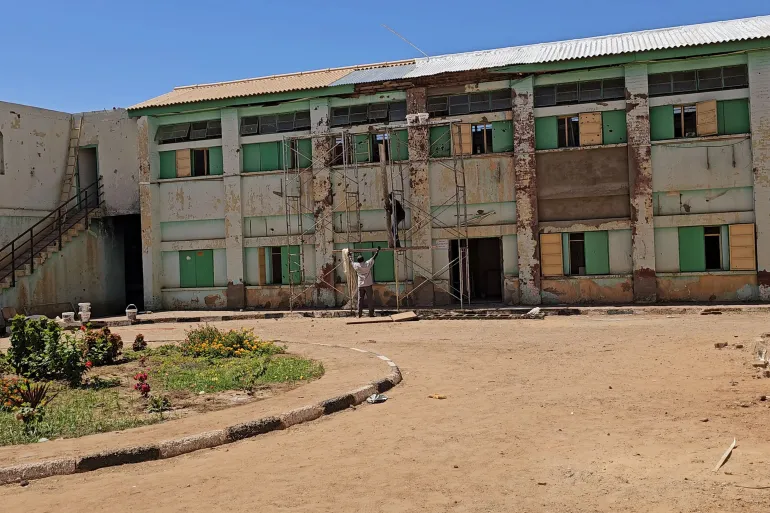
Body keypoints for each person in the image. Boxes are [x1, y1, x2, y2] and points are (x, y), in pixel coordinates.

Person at [349, 246, 380, 317]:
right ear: (363, 260)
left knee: (360, 300)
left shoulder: (356, 266)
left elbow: (351, 262)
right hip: (368, 284)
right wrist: (377, 251)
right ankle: (371, 314)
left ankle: (359, 314)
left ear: (358, 261)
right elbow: (374, 258)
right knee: (370, 299)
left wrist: (349, 256)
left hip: (360, 285)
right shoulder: (367, 264)